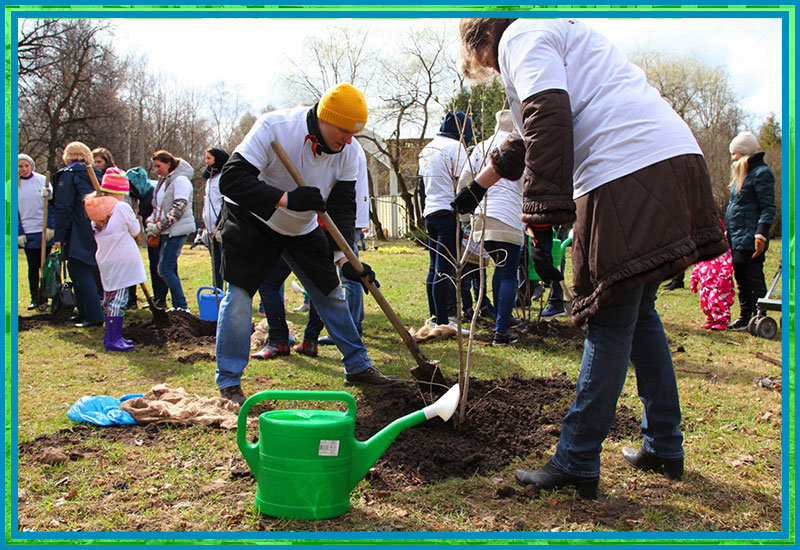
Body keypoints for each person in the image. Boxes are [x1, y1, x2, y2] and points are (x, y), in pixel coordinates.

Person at [455, 18, 727, 498]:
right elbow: (527, 137)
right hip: (671, 157)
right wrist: (479, 186)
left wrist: (541, 217)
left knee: (608, 315)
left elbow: (549, 119)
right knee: (640, 314)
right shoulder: (563, 36)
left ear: (483, 41)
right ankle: (663, 443)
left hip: (625, 169)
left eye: (489, 66)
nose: (496, 73)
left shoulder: (520, 35)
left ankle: (577, 459)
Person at [214, 82, 396, 405]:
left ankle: (357, 365)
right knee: (239, 298)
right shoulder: (276, 127)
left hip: (302, 228)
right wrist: (286, 199)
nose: (349, 140)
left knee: (331, 296)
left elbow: (340, 208)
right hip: (253, 220)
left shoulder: (349, 151)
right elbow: (231, 179)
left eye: (355, 133)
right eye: (343, 130)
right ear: (325, 118)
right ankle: (229, 382)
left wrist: (345, 259)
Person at [458, 109, 524, 345]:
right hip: (507, 216)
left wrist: (466, 219)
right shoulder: (520, 146)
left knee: (498, 268)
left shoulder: (482, 146)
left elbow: (465, 183)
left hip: (482, 218)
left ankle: (500, 318)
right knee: (507, 274)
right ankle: (502, 331)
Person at [419, 110, 473, 333]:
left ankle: (434, 317)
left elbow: (421, 186)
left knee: (434, 267)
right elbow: (465, 180)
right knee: (444, 269)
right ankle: (442, 321)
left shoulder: (428, 148)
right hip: (449, 213)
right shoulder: (456, 147)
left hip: (431, 212)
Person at [83, 168, 147, 351]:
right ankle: (113, 338)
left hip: (105, 257)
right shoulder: (121, 207)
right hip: (123, 258)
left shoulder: (95, 209)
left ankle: (112, 336)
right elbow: (135, 231)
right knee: (118, 299)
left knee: (110, 297)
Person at [725, 131, 777, 330]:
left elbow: (767, 207)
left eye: (735, 153)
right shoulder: (742, 174)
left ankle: (760, 315)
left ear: (744, 153)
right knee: (740, 276)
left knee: (753, 275)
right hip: (737, 236)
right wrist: (729, 229)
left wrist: (761, 233)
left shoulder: (761, 173)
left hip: (751, 235)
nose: (732, 158)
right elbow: (736, 206)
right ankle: (745, 314)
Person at [53, 142, 105, 328]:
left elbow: (63, 207)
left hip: (76, 227)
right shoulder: (95, 174)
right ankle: (84, 311)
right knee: (87, 268)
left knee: (78, 270)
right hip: (93, 226)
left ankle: (94, 314)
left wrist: (59, 234)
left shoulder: (68, 175)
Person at [144, 150, 196, 313]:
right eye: (154, 167)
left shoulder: (180, 180)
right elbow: (158, 207)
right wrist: (151, 221)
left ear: (168, 163)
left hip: (177, 231)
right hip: (166, 231)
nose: (156, 170)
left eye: (159, 166)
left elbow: (179, 207)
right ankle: (177, 305)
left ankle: (181, 305)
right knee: (169, 268)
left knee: (164, 269)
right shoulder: (164, 182)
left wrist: (159, 226)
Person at [18, 153, 55, 310]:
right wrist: (19, 232)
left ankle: (48, 296)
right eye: (20, 166)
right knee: (32, 266)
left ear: (32, 166)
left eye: (26, 166)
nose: (24, 169)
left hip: (43, 228)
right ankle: (35, 297)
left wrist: (50, 227)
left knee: (46, 266)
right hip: (27, 231)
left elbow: (52, 206)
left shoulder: (42, 180)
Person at [690, 221, 735, 330]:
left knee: (717, 301)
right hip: (705, 282)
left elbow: (727, 262)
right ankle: (711, 318)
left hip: (718, 283)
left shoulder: (722, 248)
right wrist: (694, 279)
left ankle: (722, 320)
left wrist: (724, 277)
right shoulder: (703, 250)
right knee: (705, 301)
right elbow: (698, 264)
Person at [201, 147, 229, 291]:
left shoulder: (224, 176)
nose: (206, 162)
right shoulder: (210, 178)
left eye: (209, 158)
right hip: (210, 227)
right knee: (215, 262)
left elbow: (225, 202)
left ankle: (228, 292)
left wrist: (220, 225)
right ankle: (217, 290)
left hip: (221, 228)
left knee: (226, 262)